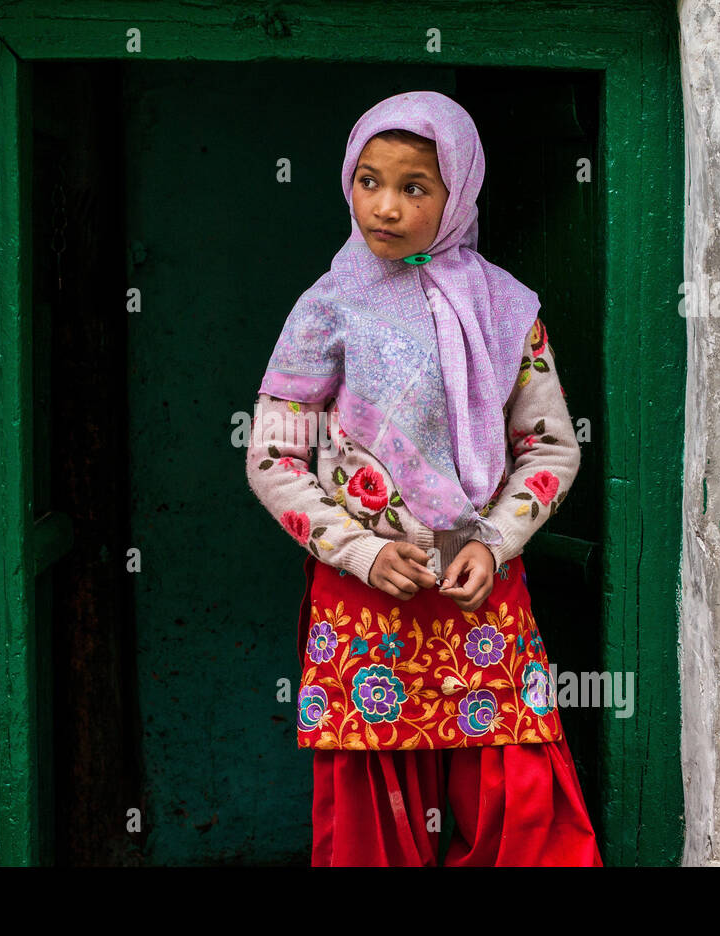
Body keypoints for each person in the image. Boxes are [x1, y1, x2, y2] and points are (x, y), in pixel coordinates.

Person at [244, 90, 603, 867]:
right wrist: (362, 552)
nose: (384, 206)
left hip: (480, 590)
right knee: (376, 819)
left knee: (519, 797)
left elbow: (548, 447)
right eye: (369, 180)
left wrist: (497, 543)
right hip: (366, 601)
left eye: (414, 187)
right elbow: (272, 456)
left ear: (458, 192)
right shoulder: (326, 309)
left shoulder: (507, 311)